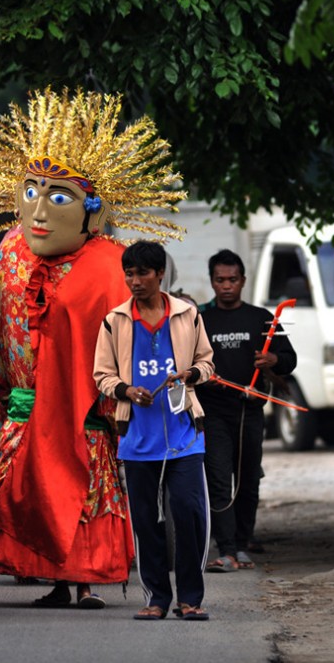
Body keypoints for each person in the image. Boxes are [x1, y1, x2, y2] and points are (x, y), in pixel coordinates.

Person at [0, 88, 186, 608]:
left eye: (57, 196)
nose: (38, 209)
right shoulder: (9, 254)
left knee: (85, 495)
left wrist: (122, 401)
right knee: (30, 492)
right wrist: (2, 401)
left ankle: (86, 580)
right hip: (27, 410)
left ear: (91, 214)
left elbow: (133, 337)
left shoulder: (109, 267)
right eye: (30, 190)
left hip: (87, 413)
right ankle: (55, 580)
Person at [94, 241, 215, 620]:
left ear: (160, 273)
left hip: (184, 434)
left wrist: (191, 374)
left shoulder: (188, 315)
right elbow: (102, 375)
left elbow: (207, 362)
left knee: (189, 513)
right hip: (138, 438)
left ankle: (190, 598)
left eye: (142, 273)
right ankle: (157, 599)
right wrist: (126, 390)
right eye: (128, 274)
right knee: (146, 522)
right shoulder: (114, 321)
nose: (134, 281)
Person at [197, 249, 297, 572]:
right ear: (211, 281)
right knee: (219, 479)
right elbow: (186, 361)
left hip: (250, 411)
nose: (226, 286)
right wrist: (202, 376)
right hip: (213, 412)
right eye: (220, 280)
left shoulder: (262, 318)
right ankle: (225, 549)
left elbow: (289, 357)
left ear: (243, 280)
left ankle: (242, 545)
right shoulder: (200, 319)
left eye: (232, 280)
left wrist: (274, 361)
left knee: (249, 479)